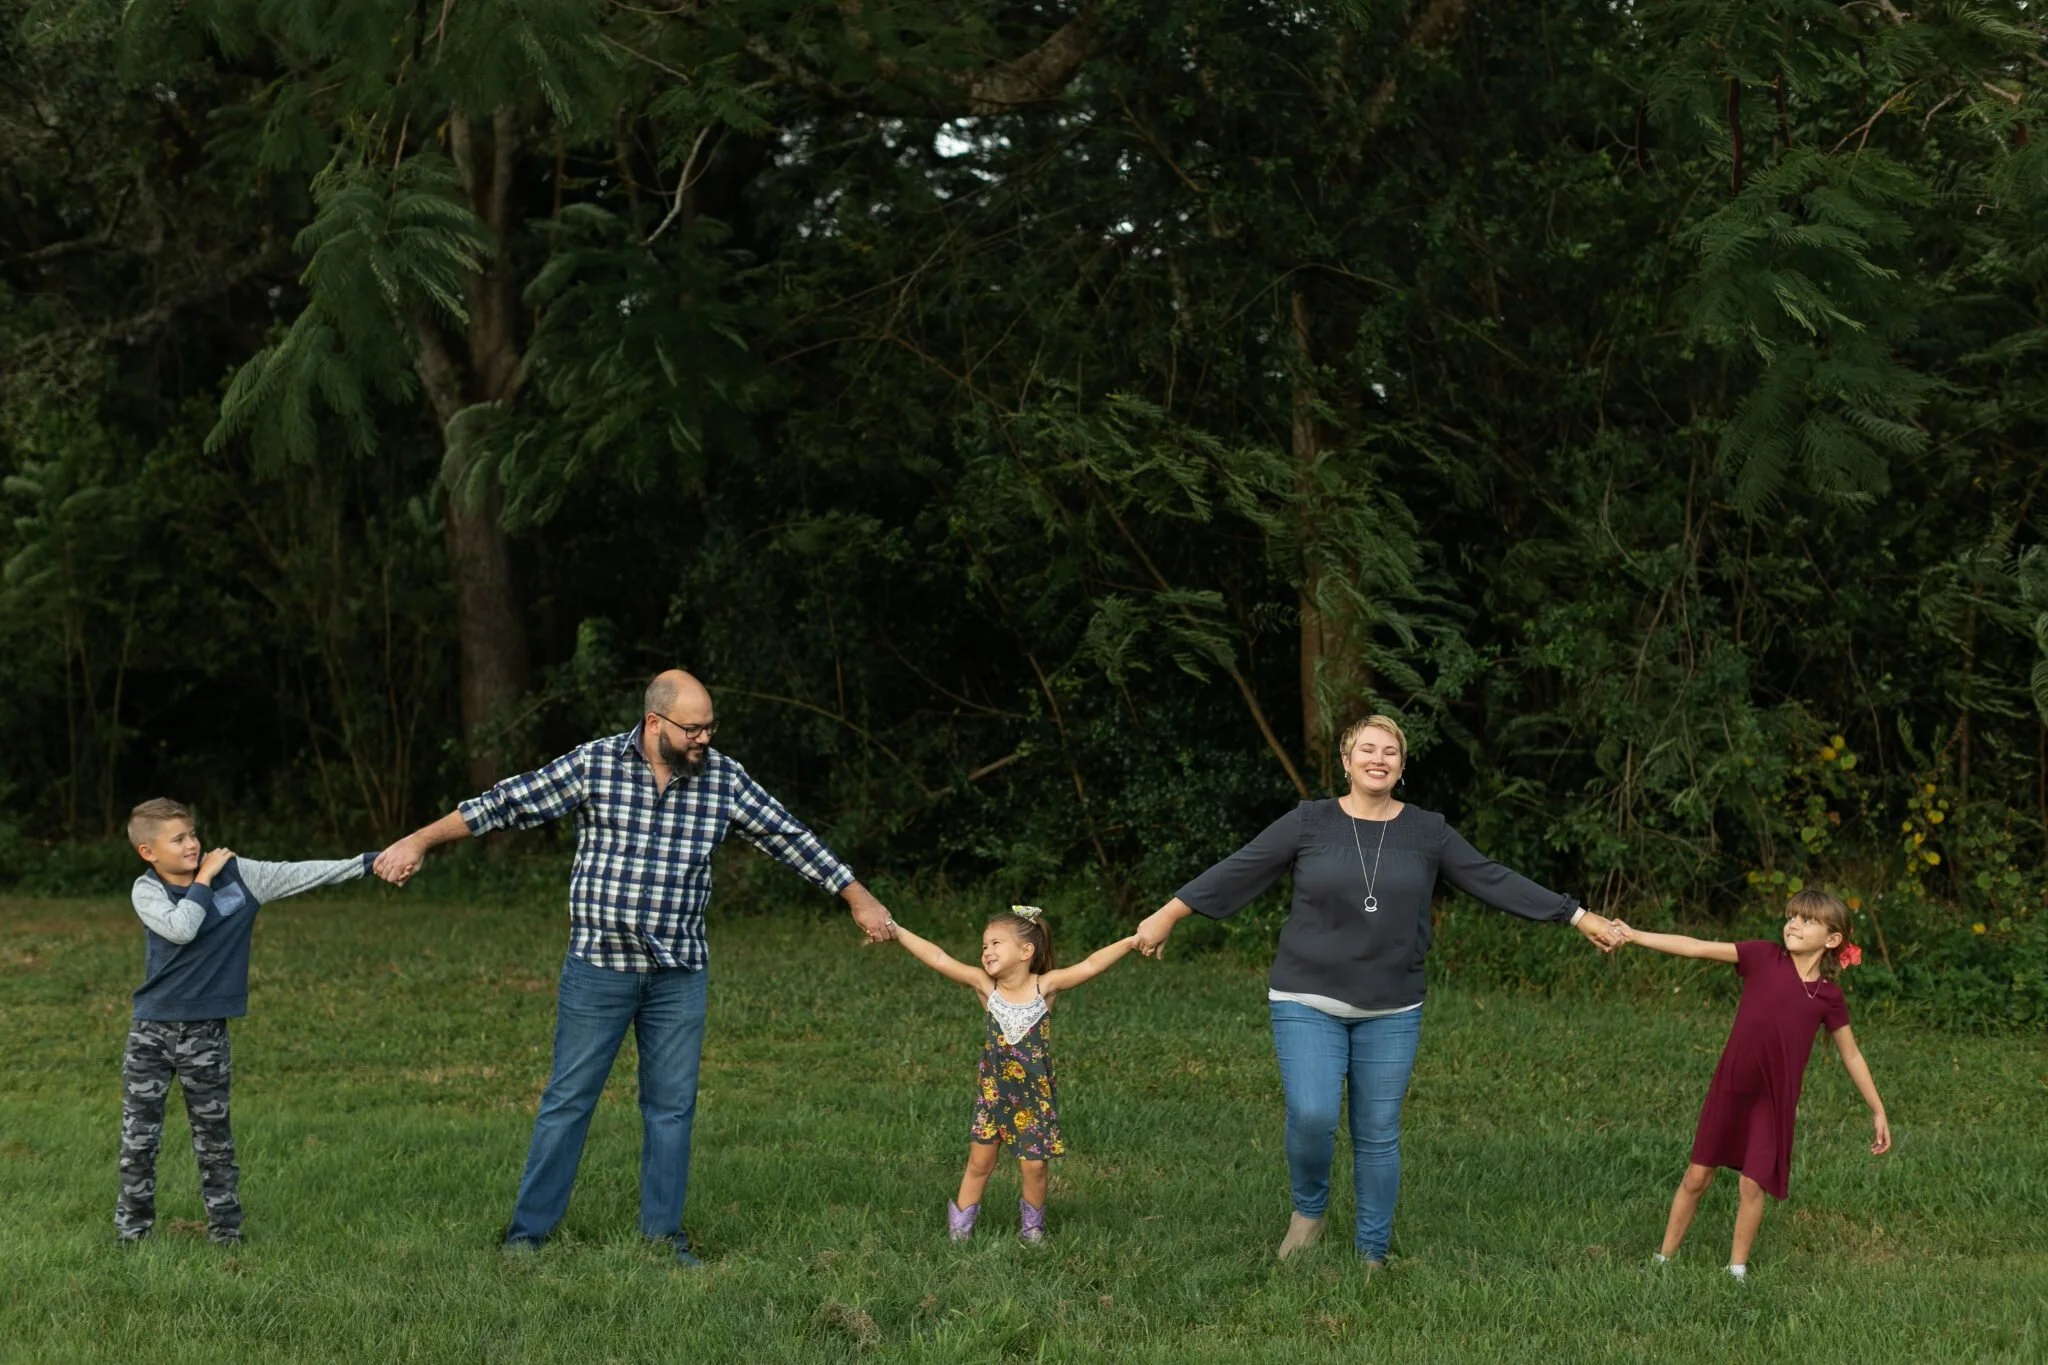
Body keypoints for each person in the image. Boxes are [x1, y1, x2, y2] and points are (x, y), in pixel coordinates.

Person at [370, 670, 893, 1264]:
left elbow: (788, 835)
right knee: (568, 1101)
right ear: (653, 722)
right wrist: (419, 840)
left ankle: (663, 1239)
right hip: (600, 968)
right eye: (692, 728)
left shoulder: (724, 779)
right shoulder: (595, 764)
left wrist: (857, 896)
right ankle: (526, 1238)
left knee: (671, 1109)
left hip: (679, 974)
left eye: (710, 727)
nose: (704, 738)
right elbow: (506, 803)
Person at [1132, 714, 1622, 1266]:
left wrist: (1575, 914)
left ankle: (1372, 1251)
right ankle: (1309, 1212)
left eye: (1390, 752)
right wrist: (1168, 914)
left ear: (1402, 766)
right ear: (1346, 762)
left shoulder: (1428, 831)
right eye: (1367, 749)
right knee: (1312, 1115)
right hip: (1306, 998)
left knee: (1378, 1132)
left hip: (1393, 1006)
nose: (1378, 759)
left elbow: (1491, 877)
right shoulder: (1309, 822)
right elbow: (1241, 868)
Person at [116, 797, 375, 1244]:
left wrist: (372, 862)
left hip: (206, 1034)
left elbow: (302, 872)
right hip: (151, 1032)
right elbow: (181, 927)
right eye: (178, 839)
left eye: (192, 834)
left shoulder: (241, 876)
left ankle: (227, 1235)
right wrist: (204, 879)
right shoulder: (147, 890)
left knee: (214, 1141)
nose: (192, 844)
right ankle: (132, 1236)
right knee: (139, 1141)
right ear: (148, 852)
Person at [1611, 890, 1891, 1278]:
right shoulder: (1763, 956)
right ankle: (1663, 1259)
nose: (1793, 924)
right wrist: (1635, 935)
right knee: (1696, 1177)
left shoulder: (1828, 996)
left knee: (1752, 1184)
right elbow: (1695, 947)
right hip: (1731, 1089)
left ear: (1832, 939)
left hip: (1773, 1100)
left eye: (1807, 920)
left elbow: (1852, 1055)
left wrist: (1877, 1109)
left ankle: (1736, 1269)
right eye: (1791, 917)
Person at [886, 906, 1138, 1244]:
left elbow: (1091, 964)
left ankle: (1032, 1230)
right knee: (979, 1163)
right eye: (984, 945)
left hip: (1033, 1099)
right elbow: (939, 957)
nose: (986, 951)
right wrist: (897, 930)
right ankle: (959, 1232)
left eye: (995, 943)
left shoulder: (1045, 987)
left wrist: (1131, 942)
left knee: (1035, 1167)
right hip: (994, 1096)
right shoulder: (985, 987)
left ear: (1025, 951)